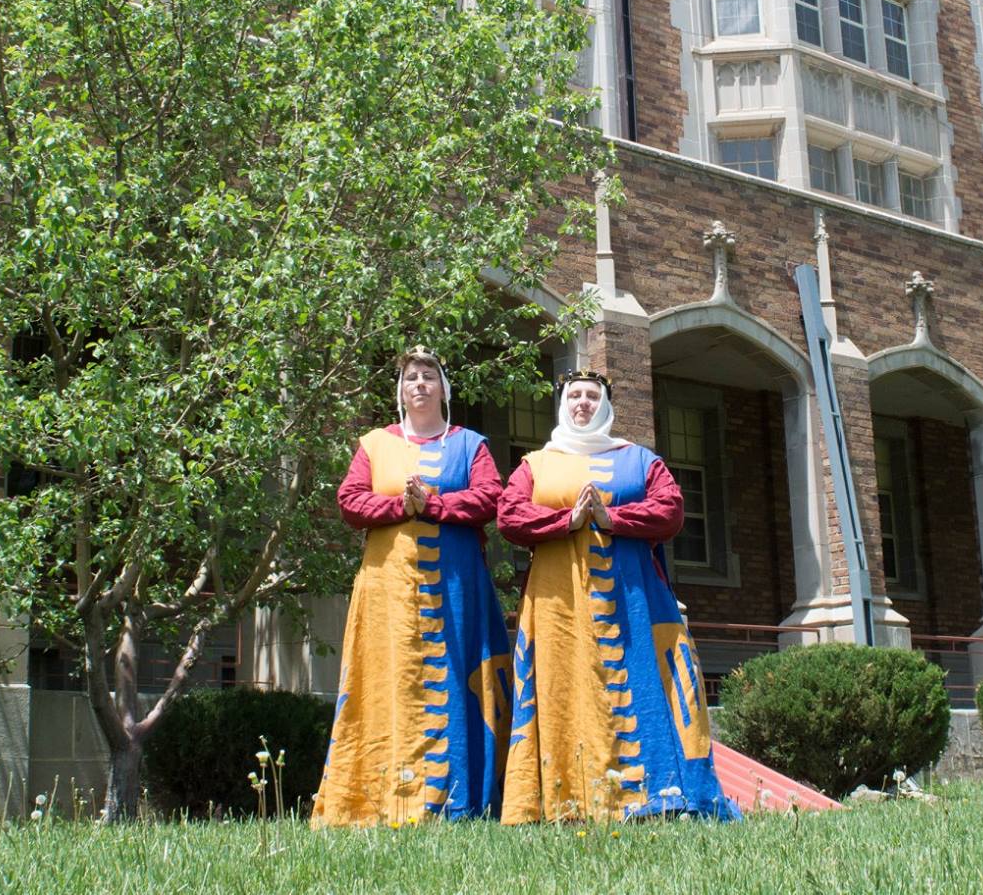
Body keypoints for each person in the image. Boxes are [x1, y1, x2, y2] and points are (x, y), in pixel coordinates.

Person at [496, 369, 736, 823]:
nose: (582, 403)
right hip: (557, 602)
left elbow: (671, 510)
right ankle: (564, 802)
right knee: (561, 686)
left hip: (634, 597)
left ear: (605, 406)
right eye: (574, 396)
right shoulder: (536, 463)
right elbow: (509, 517)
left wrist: (612, 518)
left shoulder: (638, 459)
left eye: (591, 396)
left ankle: (662, 797)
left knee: (647, 681)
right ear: (563, 405)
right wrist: (566, 521)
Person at [311, 346, 512, 826]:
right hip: (389, 592)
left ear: (444, 388)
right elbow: (350, 502)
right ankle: (381, 796)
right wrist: (402, 507)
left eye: (428, 376)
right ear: (400, 391)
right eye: (410, 378)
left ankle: (463, 799)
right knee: (387, 681)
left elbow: (491, 498)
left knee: (461, 678)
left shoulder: (470, 444)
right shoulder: (375, 444)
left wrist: (434, 505)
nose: (419, 384)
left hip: (457, 589)